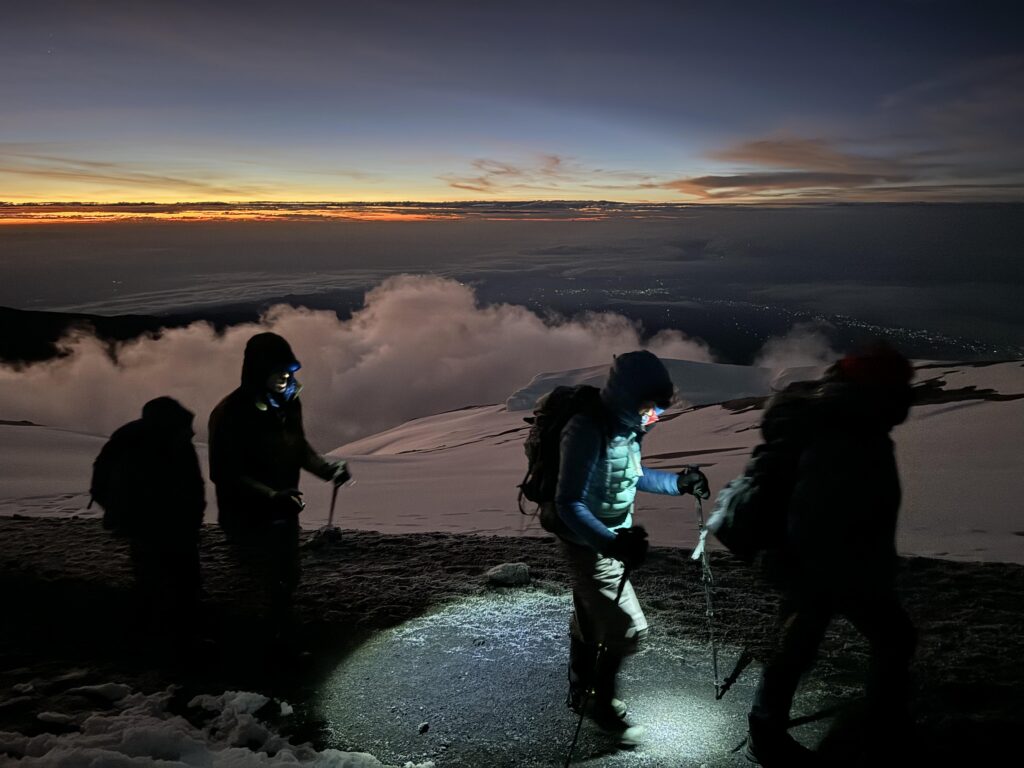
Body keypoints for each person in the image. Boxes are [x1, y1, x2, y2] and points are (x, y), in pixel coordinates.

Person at [745, 344, 917, 767]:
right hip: (828, 567)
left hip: (830, 564)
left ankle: (771, 729)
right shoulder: (847, 432)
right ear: (881, 390)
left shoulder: (852, 422)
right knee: (815, 646)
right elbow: (820, 508)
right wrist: (831, 569)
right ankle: (776, 733)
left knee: (800, 647)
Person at [550, 350, 710, 745]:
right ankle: (600, 705)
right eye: (647, 405)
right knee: (626, 629)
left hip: (612, 540)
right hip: (591, 543)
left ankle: (580, 690)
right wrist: (611, 543)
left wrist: (678, 483)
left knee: (591, 617)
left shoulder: (630, 425)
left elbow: (631, 475)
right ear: (625, 395)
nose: (652, 415)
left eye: (656, 407)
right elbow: (567, 502)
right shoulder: (586, 429)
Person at [208, 332, 349, 639]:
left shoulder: (288, 405)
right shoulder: (230, 413)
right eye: (279, 369)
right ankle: (258, 655)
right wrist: (270, 496)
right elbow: (225, 473)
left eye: (289, 369)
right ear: (258, 371)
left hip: (284, 513)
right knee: (256, 583)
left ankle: (279, 644)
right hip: (246, 520)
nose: (286, 375)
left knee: (286, 578)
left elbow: (298, 448)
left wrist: (328, 469)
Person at [91, 396, 205, 639]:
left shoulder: (129, 437)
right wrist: (193, 522)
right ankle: (182, 637)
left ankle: (156, 635)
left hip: (144, 527)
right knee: (183, 582)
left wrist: (117, 515)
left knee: (151, 580)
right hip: (169, 527)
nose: (192, 433)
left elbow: (100, 479)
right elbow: (194, 486)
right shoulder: (175, 441)